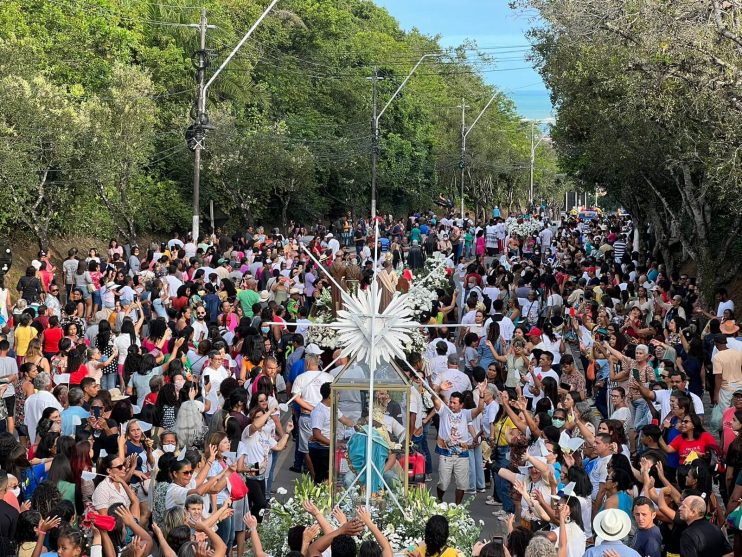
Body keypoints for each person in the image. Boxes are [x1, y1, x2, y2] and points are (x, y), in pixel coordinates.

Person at [432, 383, 486, 504]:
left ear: (461, 405)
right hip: (445, 453)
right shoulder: (444, 411)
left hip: (462, 453)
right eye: (450, 402)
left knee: (462, 484)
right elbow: (434, 398)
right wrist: (439, 388)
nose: (451, 404)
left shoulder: (466, 414)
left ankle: (457, 506)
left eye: (454, 403)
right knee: (443, 483)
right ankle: (439, 500)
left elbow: (479, 409)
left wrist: (482, 395)